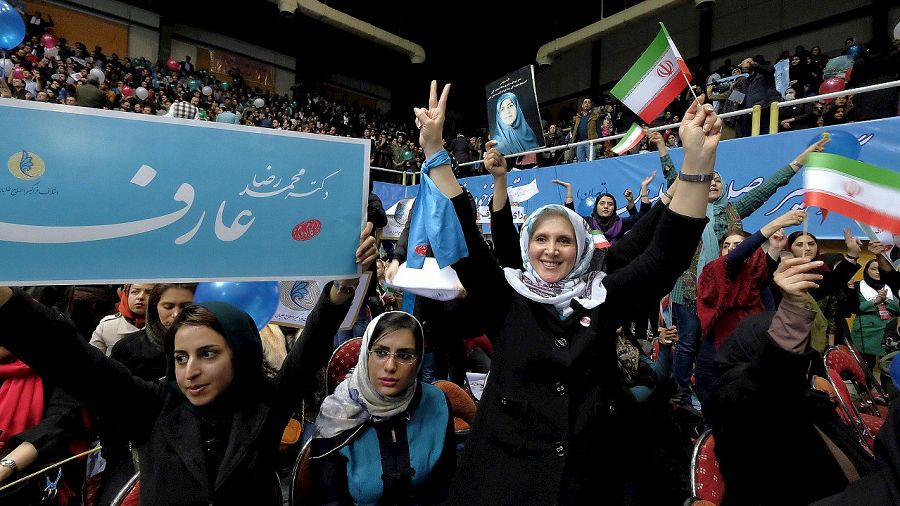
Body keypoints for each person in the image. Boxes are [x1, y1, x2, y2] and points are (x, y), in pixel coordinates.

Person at [414, 80, 720, 503]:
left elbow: (665, 258)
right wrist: (435, 151)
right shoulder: (505, 295)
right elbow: (464, 233)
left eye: (564, 240)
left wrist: (699, 160)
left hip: (591, 479)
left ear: (581, 249)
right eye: (541, 239)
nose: (551, 250)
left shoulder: (602, 294)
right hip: (504, 479)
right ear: (527, 247)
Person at [0, 225, 377, 505]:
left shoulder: (266, 404)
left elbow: (309, 347)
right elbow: (69, 357)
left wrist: (341, 288)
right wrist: (6, 302)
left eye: (207, 354)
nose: (189, 372)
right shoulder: (151, 407)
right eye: (179, 358)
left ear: (240, 353)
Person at [670, 138, 830, 408]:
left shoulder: (734, 211)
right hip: (689, 290)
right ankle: (682, 398)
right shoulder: (688, 211)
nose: (712, 183)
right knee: (687, 345)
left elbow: (767, 188)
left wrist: (800, 160)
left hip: (731, 292)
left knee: (719, 347)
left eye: (717, 180)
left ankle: (720, 396)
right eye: (706, 179)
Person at [712, 256, 885, 505]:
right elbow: (767, 380)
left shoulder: (807, 399)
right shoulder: (735, 397)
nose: (799, 365)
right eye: (791, 354)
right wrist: (792, 311)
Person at [308, 311, 455, 504]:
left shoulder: (437, 403)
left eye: (404, 355)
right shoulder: (338, 413)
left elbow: (443, 487)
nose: (390, 366)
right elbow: (330, 500)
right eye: (381, 352)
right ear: (365, 355)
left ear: (419, 361)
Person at [693, 210, 806, 414]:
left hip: (752, 356)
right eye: (726, 246)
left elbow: (764, 272)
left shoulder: (757, 279)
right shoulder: (713, 270)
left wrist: (775, 249)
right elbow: (735, 259)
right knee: (715, 413)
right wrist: (774, 224)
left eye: (738, 244)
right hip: (716, 356)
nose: (731, 249)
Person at [851, 259, 900, 370]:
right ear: (867, 271)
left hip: (889, 333)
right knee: (865, 369)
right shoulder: (857, 286)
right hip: (866, 332)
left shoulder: (893, 286)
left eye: (880, 269)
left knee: (889, 368)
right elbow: (854, 308)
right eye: (873, 269)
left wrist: (887, 301)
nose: (878, 272)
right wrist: (875, 301)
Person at [90, 283, 152, 356]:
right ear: (126, 294)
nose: (140, 297)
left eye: (149, 293)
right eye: (135, 292)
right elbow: (93, 361)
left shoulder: (164, 325)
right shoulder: (107, 325)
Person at [492, 92, 540, 156]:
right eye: (502, 109)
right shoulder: (496, 141)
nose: (507, 111)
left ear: (517, 107)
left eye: (510, 106)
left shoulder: (528, 132)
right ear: (498, 114)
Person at [572, 97, 600, 163]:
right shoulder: (578, 117)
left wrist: (599, 142)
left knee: (592, 163)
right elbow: (574, 130)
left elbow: (599, 130)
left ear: (590, 105)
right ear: (582, 105)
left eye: (589, 102)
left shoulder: (595, 116)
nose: (587, 104)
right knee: (581, 164)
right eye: (585, 102)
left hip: (590, 142)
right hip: (579, 143)